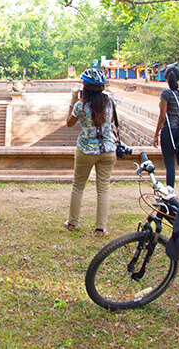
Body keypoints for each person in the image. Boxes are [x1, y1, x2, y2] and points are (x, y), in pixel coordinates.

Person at [64, 68, 117, 237]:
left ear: (85, 87)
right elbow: (111, 122)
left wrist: (73, 101)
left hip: (86, 149)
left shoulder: (81, 105)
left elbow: (69, 124)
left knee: (78, 186)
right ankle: (100, 228)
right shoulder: (109, 103)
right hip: (108, 150)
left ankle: (72, 223)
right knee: (103, 189)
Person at [152, 67, 179, 204]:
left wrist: (156, 134)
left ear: (166, 78)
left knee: (170, 164)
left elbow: (162, 117)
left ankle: (169, 196)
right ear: (178, 78)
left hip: (169, 131)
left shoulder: (166, 94)